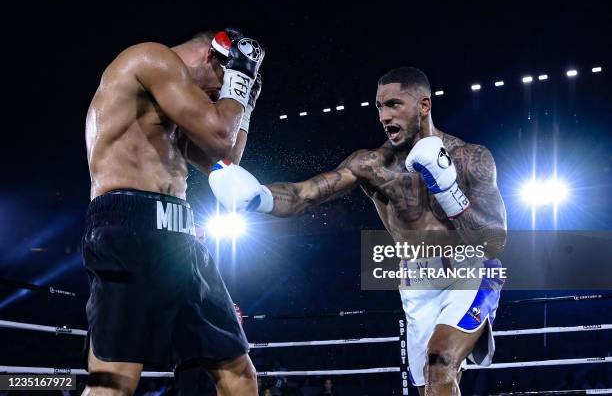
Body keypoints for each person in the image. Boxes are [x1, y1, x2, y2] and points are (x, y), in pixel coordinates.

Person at [208, 67, 507, 395]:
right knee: (430, 383)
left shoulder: (470, 158)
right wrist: (258, 198)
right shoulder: (372, 165)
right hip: (416, 281)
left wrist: (448, 188)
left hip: (470, 270)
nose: (384, 115)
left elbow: (494, 242)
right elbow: (304, 195)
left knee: (440, 361)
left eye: (394, 104)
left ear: (424, 105)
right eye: (379, 107)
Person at [82, 28, 264, 396]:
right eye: (219, 89)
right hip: (130, 223)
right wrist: (237, 84)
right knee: (115, 382)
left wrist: (244, 107)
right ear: (215, 57)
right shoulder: (151, 58)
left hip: (180, 233)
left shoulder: (175, 103)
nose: (218, 99)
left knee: (239, 372)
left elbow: (224, 160)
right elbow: (218, 136)